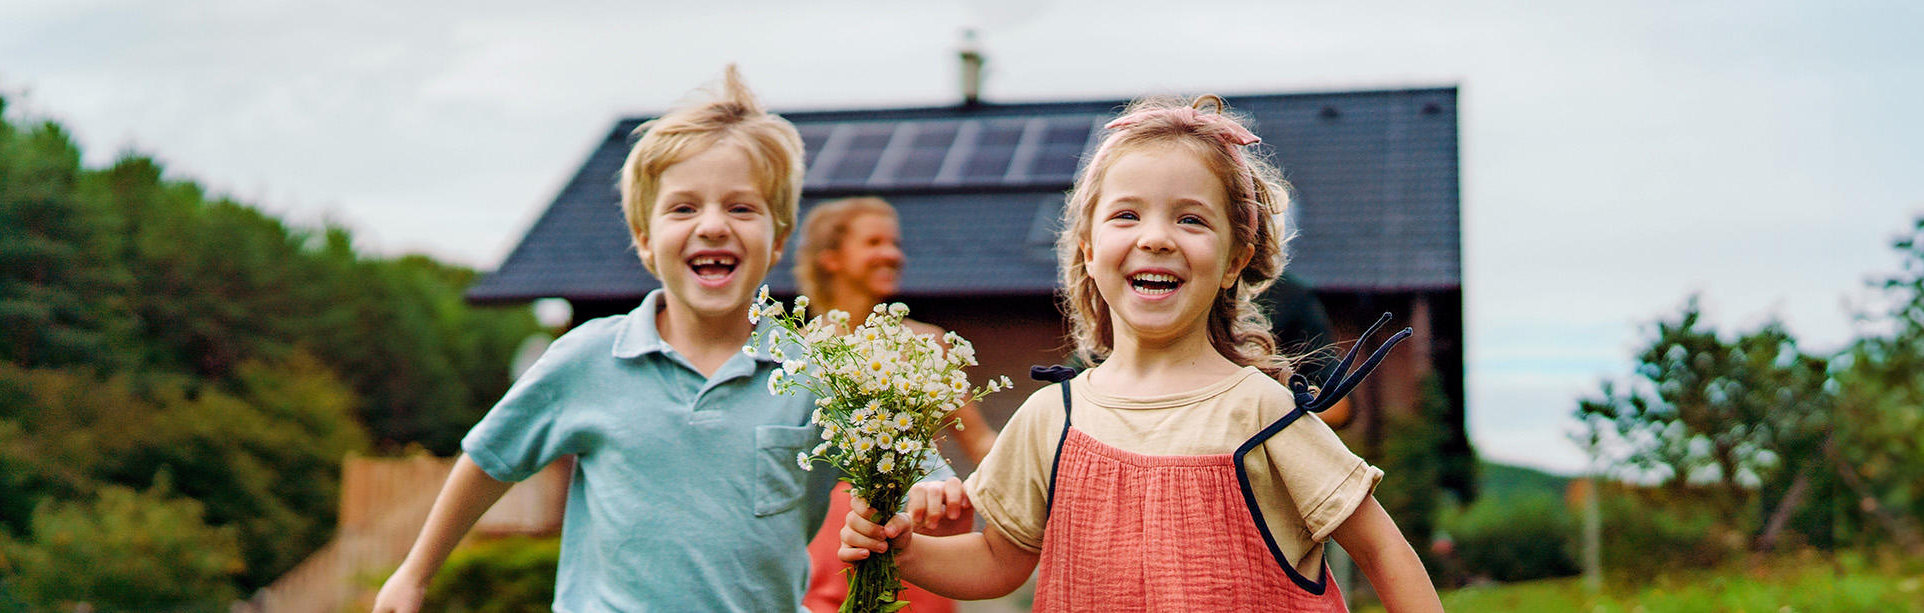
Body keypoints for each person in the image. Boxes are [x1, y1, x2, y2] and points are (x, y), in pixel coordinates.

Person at [372, 67, 954, 612]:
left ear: (777, 241)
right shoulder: (588, 359)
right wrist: (414, 573)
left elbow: (912, 467)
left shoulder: (820, 373)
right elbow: (489, 460)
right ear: (646, 240)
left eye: (740, 207)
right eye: (683, 207)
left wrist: (935, 486)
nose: (711, 224)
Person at [837, 96, 1444, 612]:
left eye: (1190, 219)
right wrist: (906, 552)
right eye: (1127, 214)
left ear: (1236, 258)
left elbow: (1382, 550)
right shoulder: (1052, 418)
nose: (1155, 237)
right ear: (1088, 249)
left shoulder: (1265, 412)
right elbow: (999, 560)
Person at [794, 197, 998, 613]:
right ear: (830, 258)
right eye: (874, 242)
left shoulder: (928, 343)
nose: (892, 254)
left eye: (895, 243)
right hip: (828, 534)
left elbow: (980, 441)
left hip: (919, 527)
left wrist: (1041, 491)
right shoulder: (798, 350)